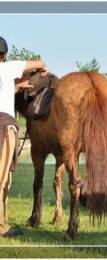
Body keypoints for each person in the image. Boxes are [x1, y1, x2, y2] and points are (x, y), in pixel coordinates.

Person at [0, 36, 48, 237]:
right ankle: (1, 228)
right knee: (1, 179)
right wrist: (42, 68)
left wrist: (18, 87)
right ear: (3, 54)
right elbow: (38, 63)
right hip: (3, 126)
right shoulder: (7, 68)